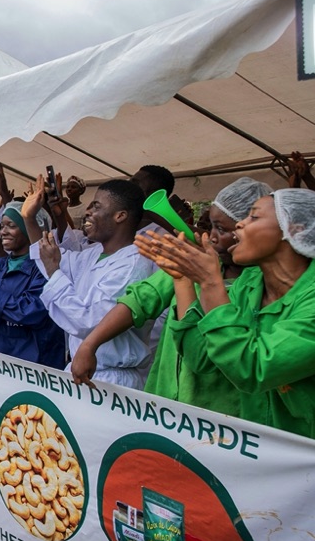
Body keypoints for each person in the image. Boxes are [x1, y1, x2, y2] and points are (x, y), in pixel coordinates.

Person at [70, 177, 272, 416]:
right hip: (164, 399)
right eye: (212, 227)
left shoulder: (260, 283)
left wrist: (201, 279)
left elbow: (208, 356)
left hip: (219, 411)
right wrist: (90, 344)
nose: (213, 237)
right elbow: (140, 300)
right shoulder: (194, 261)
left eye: (223, 229)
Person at [138, 188, 315, 438]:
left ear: (295, 229)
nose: (240, 224)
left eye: (253, 217)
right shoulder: (249, 284)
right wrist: (183, 278)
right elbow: (200, 357)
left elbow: (254, 369)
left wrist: (211, 283)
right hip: (256, 451)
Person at [27, 178, 157, 388]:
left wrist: (53, 269)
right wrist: (29, 218)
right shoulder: (93, 253)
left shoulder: (132, 266)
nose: (87, 211)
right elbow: (51, 260)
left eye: (96, 206)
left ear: (120, 216)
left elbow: (88, 322)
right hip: (84, 371)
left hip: (112, 379)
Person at [0, 201, 66, 369]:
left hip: (33, 362)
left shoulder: (46, 267)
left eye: (11, 225)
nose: (3, 232)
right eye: (2, 226)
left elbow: (32, 312)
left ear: (29, 229)